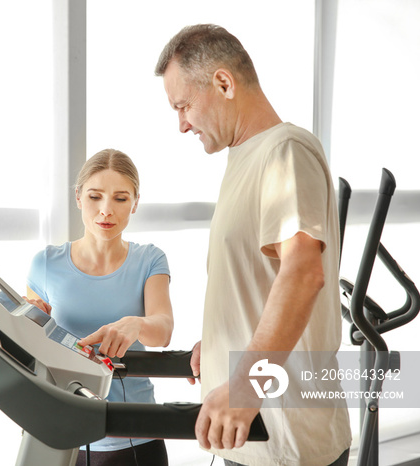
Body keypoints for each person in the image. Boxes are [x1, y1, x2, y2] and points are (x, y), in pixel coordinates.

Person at [154, 25, 351, 465]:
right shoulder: (244, 157)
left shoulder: (285, 150)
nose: (181, 124)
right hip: (250, 438)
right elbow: (257, 280)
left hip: (287, 441)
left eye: (183, 105)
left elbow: (302, 274)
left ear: (223, 82)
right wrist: (222, 341)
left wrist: (244, 386)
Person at [26, 148, 174, 466]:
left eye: (120, 199)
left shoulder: (150, 259)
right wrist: (29, 323)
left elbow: (162, 331)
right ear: (79, 197)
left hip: (138, 436)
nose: (106, 210)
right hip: (65, 438)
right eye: (95, 196)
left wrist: (136, 323)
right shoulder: (45, 265)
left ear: (135, 203)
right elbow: (31, 355)